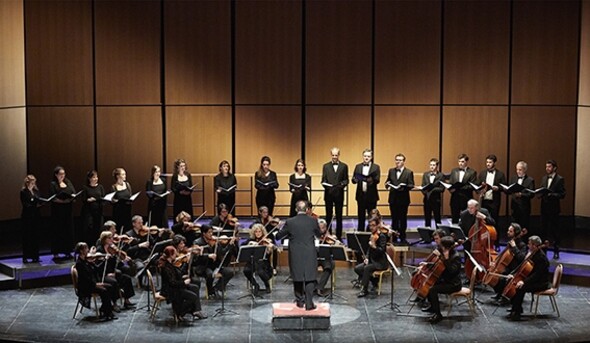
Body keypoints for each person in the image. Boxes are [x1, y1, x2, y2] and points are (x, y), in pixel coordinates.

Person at [276, 201, 321, 310]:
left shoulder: (290, 222)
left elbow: (278, 236)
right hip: (310, 251)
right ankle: (309, 303)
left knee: (297, 275)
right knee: (310, 276)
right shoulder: (313, 220)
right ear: (307, 210)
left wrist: (279, 228)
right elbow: (318, 235)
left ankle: (300, 301)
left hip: (296, 252)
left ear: (296, 210)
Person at [506, 235, 550, 321]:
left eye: (529, 244)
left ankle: (517, 312)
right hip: (533, 280)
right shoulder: (532, 253)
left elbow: (537, 275)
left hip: (541, 283)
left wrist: (524, 282)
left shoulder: (541, 258)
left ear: (534, 245)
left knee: (520, 288)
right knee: (514, 283)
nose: (528, 245)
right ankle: (516, 308)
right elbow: (523, 268)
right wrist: (513, 275)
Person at [158, 246, 207, 320]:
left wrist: (186, 264)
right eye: (175, 254)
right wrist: (184, 283)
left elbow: (177, 274)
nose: (176, 255)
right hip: (170, 290)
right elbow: (172, 283)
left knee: (195, 287)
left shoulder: (170, 263)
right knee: (193, 297)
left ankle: (196, 311)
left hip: (175, 287)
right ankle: (179, 312)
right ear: (171, 255)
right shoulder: (166, 267)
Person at [421, 236, 462, 324]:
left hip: (454, 284)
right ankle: (433, 306)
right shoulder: (444, 253)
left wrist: (446, 259)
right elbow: (438, 265)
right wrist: (427, 264)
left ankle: (438, 314)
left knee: (433, 290)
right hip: (446, 280)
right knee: (430, 283)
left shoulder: (456, 257)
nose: (440, 247)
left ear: (446, 247)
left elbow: (451, 271)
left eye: (441, 246)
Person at [74, 242, 117, 320]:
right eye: (86, 248)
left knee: (110, 287)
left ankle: (104, 309)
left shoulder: (87, 261)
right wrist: (95, 284)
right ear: (81, 251)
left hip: (92, 283)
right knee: (104, 290)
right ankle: (107, 312)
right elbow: (85, 279)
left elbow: (97, 269)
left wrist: (104, 261)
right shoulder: (79, 263)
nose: (88, 250)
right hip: (86, 286)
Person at [94, 231, 136, 309]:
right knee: (113, 282)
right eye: (109, 238)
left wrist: (117, 257)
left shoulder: (112, 249)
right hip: (103, 274)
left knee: (126, 278)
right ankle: (114, 303)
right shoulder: (100, 250)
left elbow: (114, 264)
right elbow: (98, 267)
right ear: (104, 239)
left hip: (112, 272)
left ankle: (126, 300)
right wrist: (108, 273)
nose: (111, 239)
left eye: (111, 238)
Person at [489, 223, 527, 304]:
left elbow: (521, 258)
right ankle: (499, 293)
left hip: (515, 268)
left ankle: (504, 297)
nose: (508, 232)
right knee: (497, 275)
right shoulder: (511, 241)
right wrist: (495, 262)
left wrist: (514, 247)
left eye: (510, 231)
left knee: (502, 277)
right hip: (507, 266)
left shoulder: (522, 245)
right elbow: (504, 255)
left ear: (516, 233)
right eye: (508, 230)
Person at [539, 159, 566, 259]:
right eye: (546, 167)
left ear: (554, 168)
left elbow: (562, 194)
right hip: (544, 207)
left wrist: (552, 194)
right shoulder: (544, 178)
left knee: (555, 230)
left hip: (554, 208)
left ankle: (556, 250)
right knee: (543, 230)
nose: (547, 169)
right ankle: (543, 250)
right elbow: (542, 188)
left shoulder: (559, 179)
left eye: (549, 167)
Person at [355, 216, 388, 297]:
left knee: (367, 268)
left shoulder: (382, 236)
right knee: (358, 269)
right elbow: (369, 250)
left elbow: (382, 251)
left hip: (380, 262)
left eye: (373, 225)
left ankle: (364, 289)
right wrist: (366, 258)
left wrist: (374, 246)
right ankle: (374, 280)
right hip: (372, 260)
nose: (371, 227)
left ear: (377, 225)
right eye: (370, 225)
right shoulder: (372, 235)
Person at [386, 153, 415, 244]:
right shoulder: (391, 171)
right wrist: (387, 185)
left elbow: (411, 185)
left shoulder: (408, 172)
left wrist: (404, 186)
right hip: (393, 198)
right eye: (397, 160)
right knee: (394, 219)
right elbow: (388, 181)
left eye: (400, 160)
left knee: (403, 219)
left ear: (403, 161)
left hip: (403, 199)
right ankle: (394, 238)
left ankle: (402, 237)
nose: (398, 162)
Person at [321, 147, 349, 239]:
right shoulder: (326, 166)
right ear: (331, 155)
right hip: (328, 194)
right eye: (333, 155)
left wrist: (341, 185)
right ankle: (328, 235)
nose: (334, 157)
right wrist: (327, 185)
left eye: (336, 155)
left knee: (339, 216)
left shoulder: (344, 166)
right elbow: (323, 180)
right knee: (328, 216)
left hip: (339, 194)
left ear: (339, 155)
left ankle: (339, 235)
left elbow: (346, 180)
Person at [49, 166, 76, 260]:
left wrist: (70, 198)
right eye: (60, 174)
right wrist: (62, 201)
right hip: (58, 211)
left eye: (63, 174)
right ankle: (56, 252)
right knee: (58, 230)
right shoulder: (53, 184)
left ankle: (68, 251)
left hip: (67, 210)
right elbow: (53, 197)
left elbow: (73, 192)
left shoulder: (68, 182)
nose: (62, 176)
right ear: (56, 175)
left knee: (68, 230)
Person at [351, 149, 380, 232]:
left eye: (368, 156)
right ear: (362, 156)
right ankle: (361, 235)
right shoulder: (358, 166)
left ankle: (371, 234)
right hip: (361, 195)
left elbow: (377, 180)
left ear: (371, 157)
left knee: (372, 218)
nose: (366, 158)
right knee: (361, 217)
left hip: (371, 196)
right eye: (365, 156)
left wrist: (369, 179)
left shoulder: (376, 167)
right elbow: (353, 179)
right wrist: (355, 179)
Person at [242, 223, 274, 296]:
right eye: (256, 232)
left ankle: (267, 284)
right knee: (246, 270)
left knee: (260, 271)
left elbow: (269, 253)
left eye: (259, 231)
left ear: (262, 232)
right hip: (252, 262)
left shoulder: (266, 240)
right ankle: (255, 285)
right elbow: (242, 246)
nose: (258, 233)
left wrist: (269, 248)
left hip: (263, 263)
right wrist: (249, 244)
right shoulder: (251, 240)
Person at [476, 154, 506, 225]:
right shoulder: (482, 173)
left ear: (494, 163)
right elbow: (477, 185)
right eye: (487, 162)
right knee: (483, 219)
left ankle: (494, 235)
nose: (488, 164)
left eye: (490, 162)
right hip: (484, 200)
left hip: (494, 201)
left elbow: (504, 187)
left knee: (494, 219)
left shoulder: (500, 174)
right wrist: (481, 187)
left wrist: (498, 188)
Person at [448, 154, 477, 224]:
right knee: (454, 219)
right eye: (459, 161)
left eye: (462, 161)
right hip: (455, 198)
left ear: (466, 162)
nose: (460, 163)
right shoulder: (454, 171)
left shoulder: (472, 172)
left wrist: (460, 187)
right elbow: (451, 183)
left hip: (466, 198)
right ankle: (454, 234)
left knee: (466, 219)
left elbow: (472, 186)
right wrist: (450, 189)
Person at [508, 161, 535, 232]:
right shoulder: (513, 178)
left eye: (520, 170)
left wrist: (521, 195)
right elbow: (509, 190)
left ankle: (524, 242)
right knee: (514, 226)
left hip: (524, 208)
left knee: (524, 226)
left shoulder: (530, 180)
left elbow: (531, 194)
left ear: (525, 169)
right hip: (514, 207)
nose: (518, 171)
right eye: (517, 169)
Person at [20, 175, 41, 263]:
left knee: (35, 236)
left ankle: (35, 256)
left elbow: (39, 199)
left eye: (34, 182)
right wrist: (33, 203)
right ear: (27, 182)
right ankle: (26, 256)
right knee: (27, 236)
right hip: (27, 216)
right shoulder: (23, 192)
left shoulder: (36, 191)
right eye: (31, 182)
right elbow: (25, 204)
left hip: (36, 216)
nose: (33, 183)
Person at [81, 170, 105, 247]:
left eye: (96, 177)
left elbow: (103, 198)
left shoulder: (100, 187)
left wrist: (96, 199)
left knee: (99, 228)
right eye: (93, 177)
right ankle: (90, 245)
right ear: (89, 178)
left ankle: (98, 245)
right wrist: (89, 200)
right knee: (90, 228)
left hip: (98, 211)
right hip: (89, 212)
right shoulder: (86, 187)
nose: (96, 178)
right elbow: (84, 199)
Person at [316, 219, 340, 296]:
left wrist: (334, 239)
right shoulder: (313, 235)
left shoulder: (328, 236)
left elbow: (338, 244)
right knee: (307, 267)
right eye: (319, 228)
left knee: (329, 266)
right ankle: (312, 287)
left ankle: (320, 287)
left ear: (326, 228)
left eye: (323, 228)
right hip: (315, 257)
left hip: (325, 258)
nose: (321, 230)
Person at [421, 158, 445, 228]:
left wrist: (432, 189)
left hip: (436, 200)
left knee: (437, 219)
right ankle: (428, 235)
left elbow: (442, 188)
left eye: (434, 165)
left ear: (437, 166)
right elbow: (423, 186)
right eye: (431, 165)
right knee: (427, 218)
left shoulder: (441, 175)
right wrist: (424, 191)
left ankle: (439, 234)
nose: (432, 166)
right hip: (427, 199)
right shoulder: (425, 174)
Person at [111, 167, 133, 232]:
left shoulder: (127, 185)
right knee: (119, 228)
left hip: (127, 211)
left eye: (125, 174)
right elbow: (112, 200)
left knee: (127, 228)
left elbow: (130, 196)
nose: (125, 176)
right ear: (118, 176)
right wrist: (117, 201)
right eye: (123, 174)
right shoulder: (114, 187)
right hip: (118, 212)